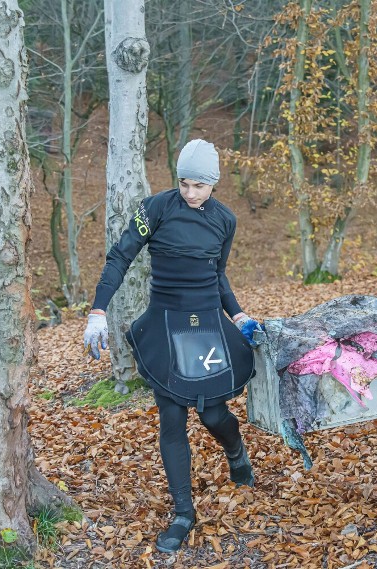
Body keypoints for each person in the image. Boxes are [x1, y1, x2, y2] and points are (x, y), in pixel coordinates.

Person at [83, 140, 261, 553]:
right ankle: (184, 512)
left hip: (208, 325)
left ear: (214, 184)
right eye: (184, 183)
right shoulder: (156, 209)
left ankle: (236, 453)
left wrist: (239, 316)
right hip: (165, 323)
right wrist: (97, 311)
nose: (190, 192)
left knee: (213, 412)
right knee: (172, 416)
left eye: (199, 185)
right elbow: (119, 258)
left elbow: (219, 275)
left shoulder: (225, 220)